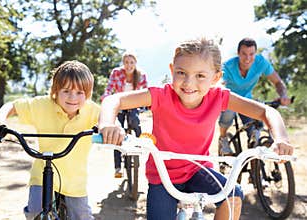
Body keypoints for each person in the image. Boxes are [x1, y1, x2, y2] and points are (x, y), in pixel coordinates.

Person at [98, 38, 294, 220]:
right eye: (181, 73)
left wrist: (281, 139)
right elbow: (114, 100)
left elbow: (266, 112)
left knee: (233, 194)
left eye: (200, 75)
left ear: (215, 77)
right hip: (163, 177)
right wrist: (109, 123)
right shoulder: (161, 95)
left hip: (197, 169)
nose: (189, 83)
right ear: (172, 69)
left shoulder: (219, 97)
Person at [0, 60, 99, 220]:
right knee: (34, 213)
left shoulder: (92, 109)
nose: (72, 97)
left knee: (82, 216)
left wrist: (110, 128)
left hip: (75, 178)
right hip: (43, 172)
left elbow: (107, 120)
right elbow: (12, 106)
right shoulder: (42, 104)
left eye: (80, 93)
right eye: (66, 91)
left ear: (87, 94)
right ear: (55, 90)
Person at [218, 37, 291, 155]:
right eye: (244, 54)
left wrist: (283, 95)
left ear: (255, 54)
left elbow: (278, 82)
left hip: (247, 99)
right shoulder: (228, 66)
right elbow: (220, 83)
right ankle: (223, 138)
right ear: (238, 53)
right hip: (230, 99)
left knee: (254, 129)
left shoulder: (260, 62)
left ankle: (254, 164)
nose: (248, 58)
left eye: (251, 54)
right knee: (228, 114)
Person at [101, 51, 148, 178]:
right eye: (126, 62)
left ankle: (140, 142)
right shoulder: (116, 73)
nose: (129, 65)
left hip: (133, 105)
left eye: (131, 62)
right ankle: (118, 167)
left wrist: (146, 106)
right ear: (123, 63)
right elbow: (109, 88)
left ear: (135, 63)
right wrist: (106, 98)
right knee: (116, 132)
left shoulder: (141, 75)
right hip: (119, 105)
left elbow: (146, 92)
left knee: (135, 121)